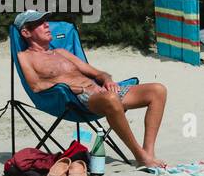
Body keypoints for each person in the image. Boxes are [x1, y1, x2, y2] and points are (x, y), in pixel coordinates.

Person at [13, 11, 169, 167]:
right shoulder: (25, 57)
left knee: (158, 90)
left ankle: (149, 152)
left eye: (45, 21)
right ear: (26, 32)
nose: (47, 24)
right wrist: (76, 89)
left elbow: (97, 73)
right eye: (39, 23)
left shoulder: (62, 52)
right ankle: (140, 155)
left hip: (102, 92)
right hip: (76, 100)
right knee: (111, 99)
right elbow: (36, 86)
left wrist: (107, 80)